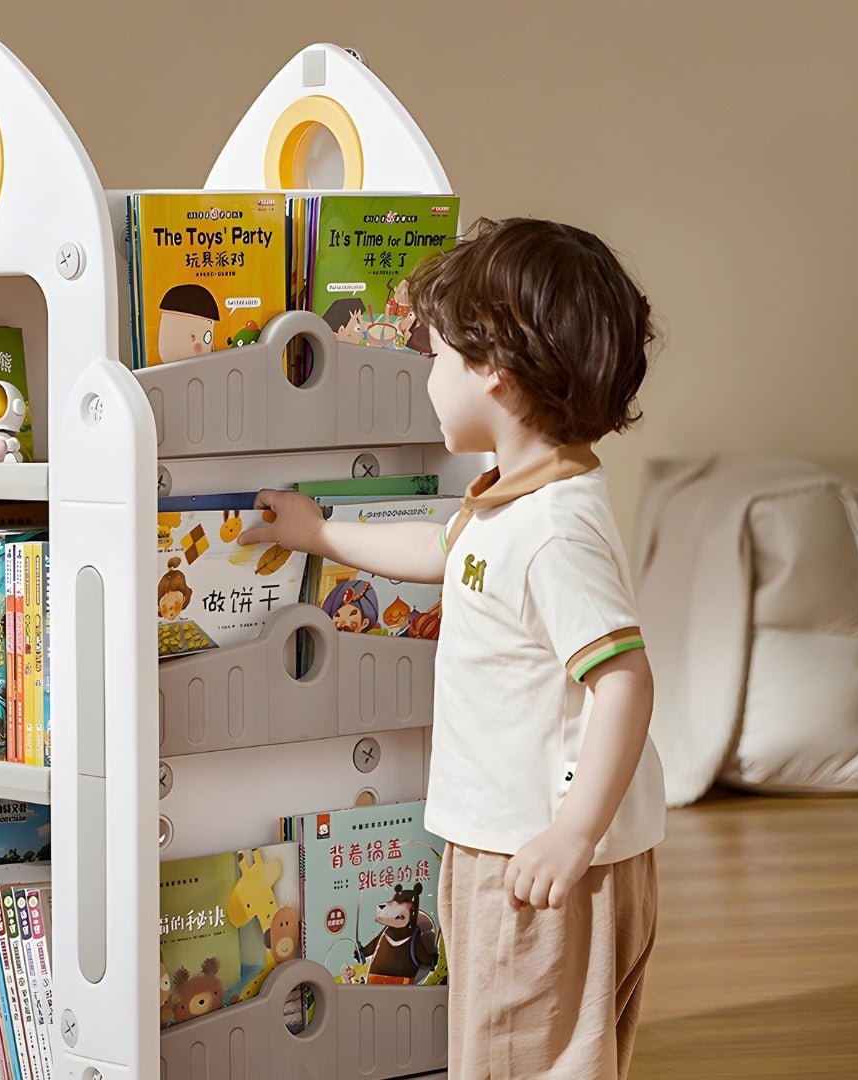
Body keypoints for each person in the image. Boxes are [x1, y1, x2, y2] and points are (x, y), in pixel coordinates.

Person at [239, 217, 665, 1079]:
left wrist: (572, 833)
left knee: (512, 1058)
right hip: (516, 841)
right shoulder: (510, 499)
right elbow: (443, 550)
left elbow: (624, 682)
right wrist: (321, 533)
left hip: (535, 853)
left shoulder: (552, 531)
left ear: (495, 371)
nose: (426, 375)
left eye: (435, 356)